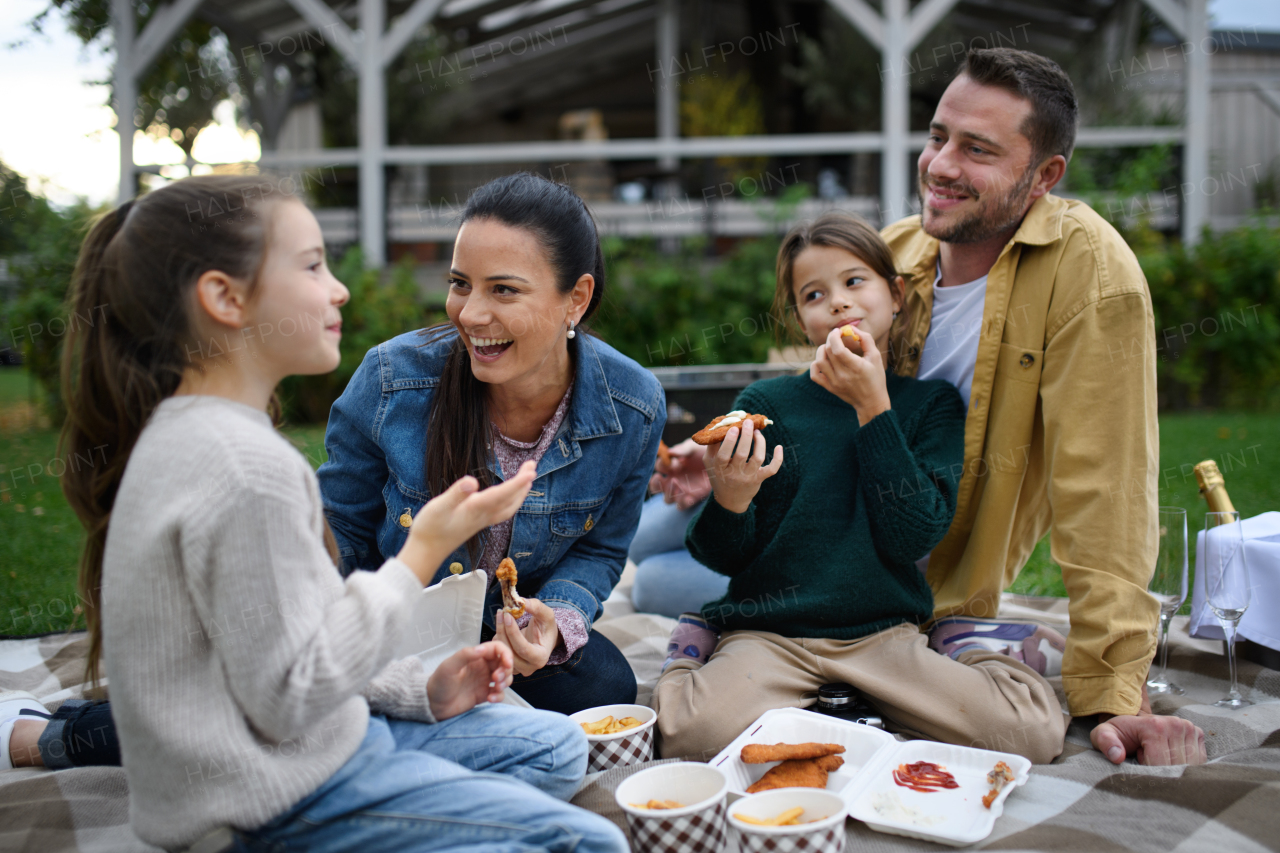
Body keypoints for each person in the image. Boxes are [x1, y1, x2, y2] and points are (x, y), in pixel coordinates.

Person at [40, 175, 628, 853]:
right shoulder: (245, 466)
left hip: (318, 741)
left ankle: (418, 805)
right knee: (590, 842)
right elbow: (292, 691)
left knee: (555, 743)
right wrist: (420, 553)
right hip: (273, 801)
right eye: (313, 264)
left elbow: (287, 639)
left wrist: (420, 690)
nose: (339, 288)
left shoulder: (193, 434)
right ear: (225, 298)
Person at [652, 211, 1067, 764]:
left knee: (1032, 734)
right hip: (773, 634)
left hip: (883, 635)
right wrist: (729, 496)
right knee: (687, 736)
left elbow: (913, 534)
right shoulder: (765, 405)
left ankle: (961, 646)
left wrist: (874, 407)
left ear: (895, 294)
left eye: (854, 282)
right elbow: (720, 554)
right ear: (801, 319)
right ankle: (696, 645)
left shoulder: (930, 406)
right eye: (814, 294)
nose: (840, 303)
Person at [885, 47, 1205, 765]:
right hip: (819, 538)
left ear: (1044, 177)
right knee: (660, 554)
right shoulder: (890, 255)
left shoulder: (1089, 270)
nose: (939, 164)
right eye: (938, 136)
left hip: (926, 580)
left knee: (660, 580)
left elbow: (1107, 489)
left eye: (978, 150)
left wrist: (1115, 692)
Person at [318, 173, 664, 715]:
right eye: (461, 284)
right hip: (395, 631)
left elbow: (600, 551)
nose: (471, 314)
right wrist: (341, 647)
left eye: (503, 289)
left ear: (576, 298)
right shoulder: (390, 381)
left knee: (605, 688)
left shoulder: (633, 406)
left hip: (507, 642)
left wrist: (556, 622)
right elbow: (339, 530)